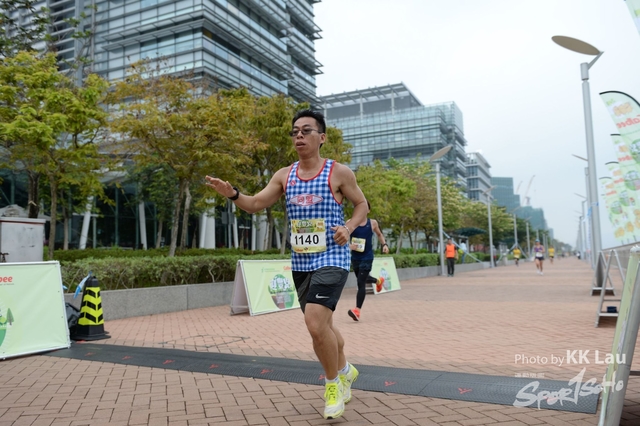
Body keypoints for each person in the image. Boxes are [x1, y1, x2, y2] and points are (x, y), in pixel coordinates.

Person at [205, 110, 368, 420]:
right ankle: (346, 370)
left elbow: (362, 204)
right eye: (295, 132)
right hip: (301, 261)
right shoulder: (284, 175)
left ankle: (333, 385)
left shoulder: (339, 172)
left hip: (333, 257)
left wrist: (348, 227)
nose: (299, 136)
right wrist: (233, 194)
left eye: (306, 130)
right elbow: (255, 204)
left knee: (315, 324)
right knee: (324, 326)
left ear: (322, 137)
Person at [348, 200, 390, 322]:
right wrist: (349, 246)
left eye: (364, 207)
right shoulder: (350, 223)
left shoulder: (372, 223)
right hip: (355, 257)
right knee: (361, 278)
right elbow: (343, 238)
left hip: (367, 256)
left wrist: (384, 244)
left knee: (361, 282)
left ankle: (357, 310)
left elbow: (379, 234)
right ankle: (378, 281)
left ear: (368, 210)